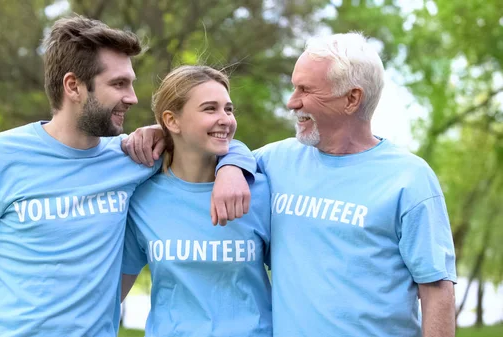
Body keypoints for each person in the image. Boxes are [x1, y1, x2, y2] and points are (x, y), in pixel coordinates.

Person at [123, 32, 457, 337]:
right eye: (294, 87)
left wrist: (225, 163)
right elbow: (220, 148)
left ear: (352, 99)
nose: (291, 101)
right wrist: (170, 138)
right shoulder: (275, 162)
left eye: (305, 90)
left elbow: (437, 287)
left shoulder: (409, 178)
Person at [0, 16, 255, 337]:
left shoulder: (135, 156)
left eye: (130, 83)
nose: (132, 97)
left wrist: (232, 167)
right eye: (118, 84)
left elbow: (212, 137)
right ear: (73, 86)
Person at [120, 65, 272, 337]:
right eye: (210, 109)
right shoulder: (143, 199)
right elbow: (113, 295)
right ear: (172, 120)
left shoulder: (259, 192)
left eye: (228, 109)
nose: (225, 119)